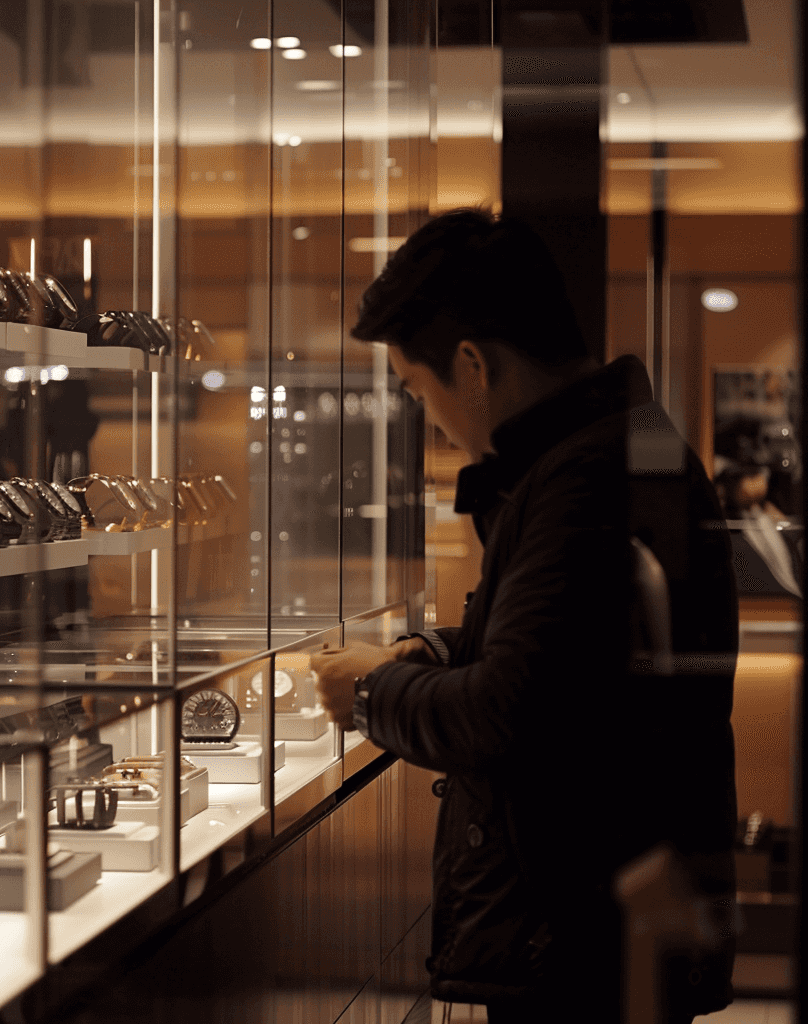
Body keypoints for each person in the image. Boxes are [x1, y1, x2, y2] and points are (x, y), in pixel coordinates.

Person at [310, 208, 738, 1024]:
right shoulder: (614, 453)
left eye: (416, 388)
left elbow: (512, 711)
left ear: (471, 365)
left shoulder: (587, 481)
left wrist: (374, 692)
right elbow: (570, 664)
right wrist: (432, 651)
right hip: (613, 920)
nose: (430, 420)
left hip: (583, 940)